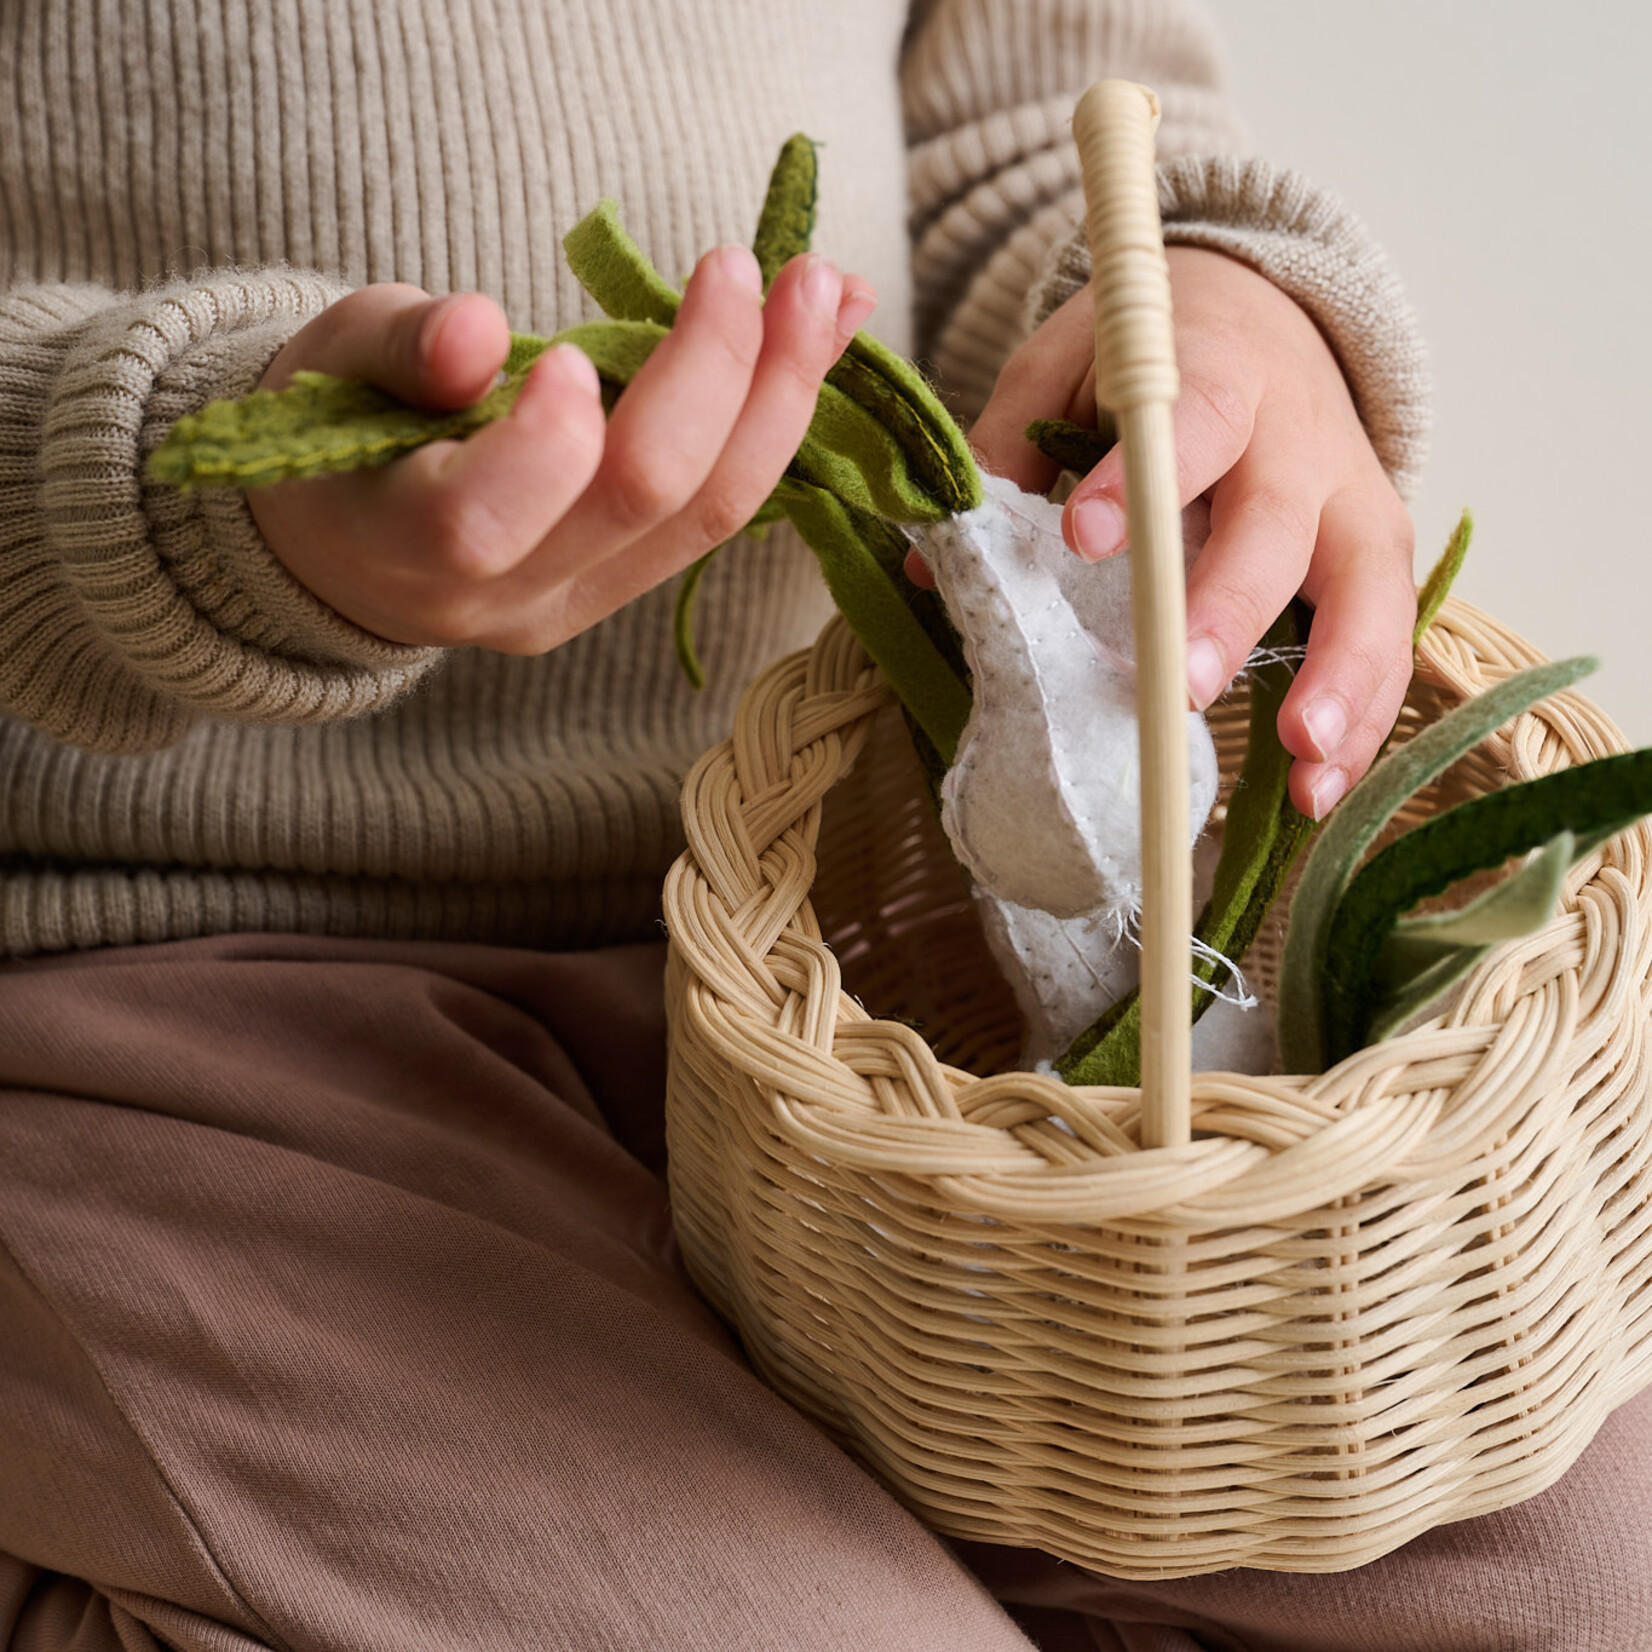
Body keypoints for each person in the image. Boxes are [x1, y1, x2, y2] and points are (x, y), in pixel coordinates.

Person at [0, 2, 1645, 1648]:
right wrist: (188, 493)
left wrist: (1207, 296)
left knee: (1587, 1569)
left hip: (827, 945)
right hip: (159, 996)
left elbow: (1017, 131)